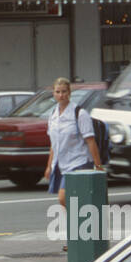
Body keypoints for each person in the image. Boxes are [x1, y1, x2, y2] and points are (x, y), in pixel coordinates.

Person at [43, 77, 104, 214]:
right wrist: (49, 166)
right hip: (61, 163)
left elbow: (90, 141)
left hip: (79, 162)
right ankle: (77, 225)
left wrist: (98, 165)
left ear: (69, 92)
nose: (61, 95)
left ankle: (82, 222)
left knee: (63, 198)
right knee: (71, 201)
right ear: (53, 93)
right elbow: (54, 144)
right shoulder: (53, 114)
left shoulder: (79, 114)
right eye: (57, 92)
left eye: (64, 91)